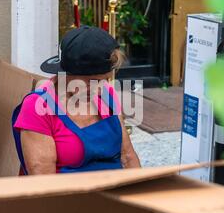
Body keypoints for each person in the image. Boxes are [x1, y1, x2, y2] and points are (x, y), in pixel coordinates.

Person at [12, 26, 141, 175]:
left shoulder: (106, 94)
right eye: (90, 81)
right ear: (64, 74)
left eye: (105, 80)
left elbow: (127, 156)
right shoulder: (38, 107)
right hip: (69, 195)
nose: (99, 89)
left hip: (116, 191)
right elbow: (44, 181)